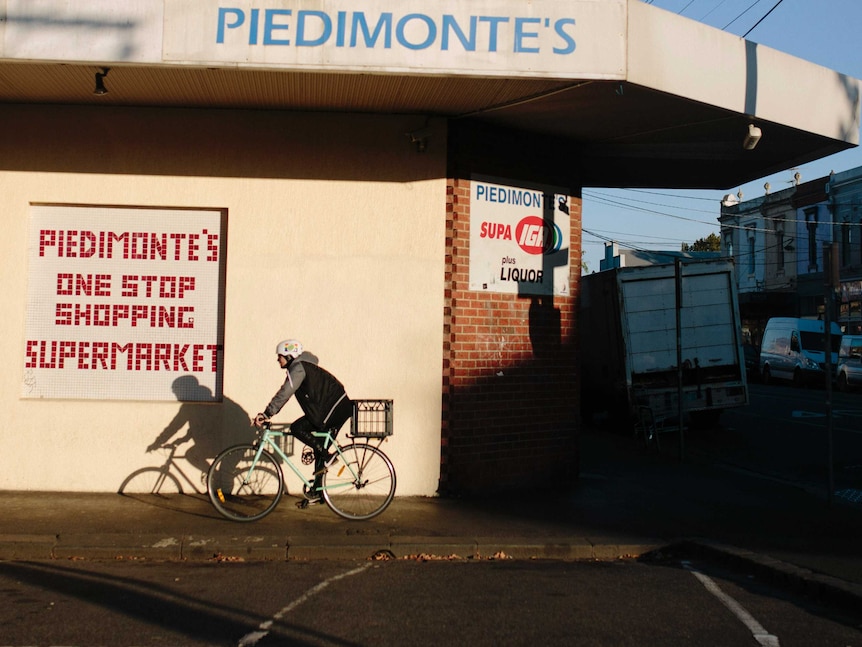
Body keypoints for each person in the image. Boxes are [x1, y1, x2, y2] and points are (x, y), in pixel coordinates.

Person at [253, 339, 353, 506]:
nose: (278, 360)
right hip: (333, 408)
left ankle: (327, 457)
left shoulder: (298, 369)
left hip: (333, 408)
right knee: (319, 447)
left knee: (297, 428)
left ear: (289, 356)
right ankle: (317, 492)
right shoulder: (299, 368)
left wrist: (267, 413)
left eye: (280, 356)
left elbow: (285, 392)